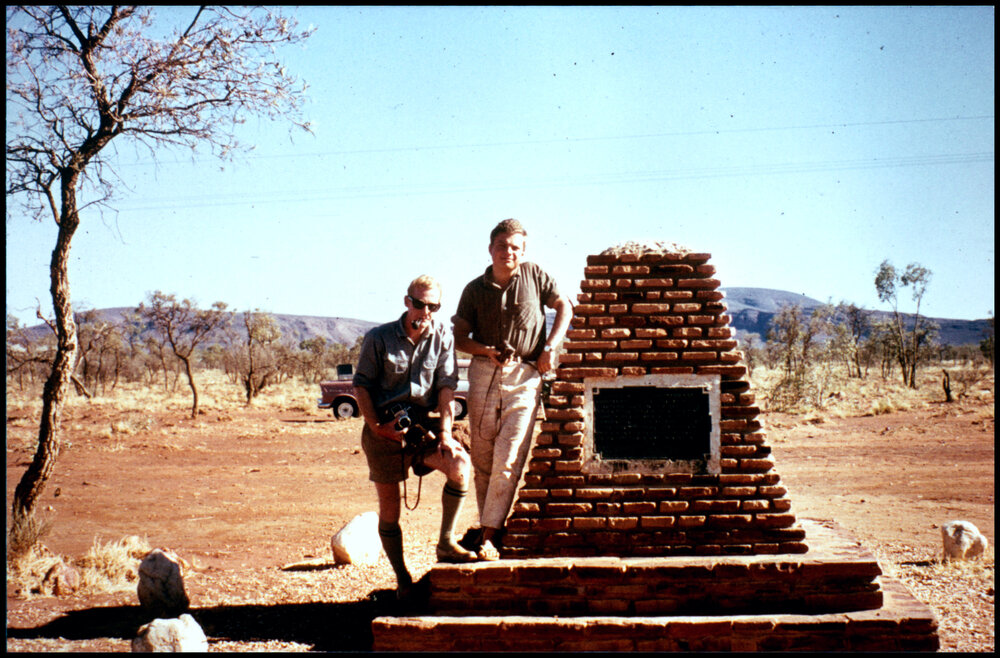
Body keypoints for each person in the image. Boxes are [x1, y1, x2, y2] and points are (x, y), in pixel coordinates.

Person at [452, 219, 573, 560]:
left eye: (515, 247)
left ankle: (489, 535)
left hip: (525, 374)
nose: (509, 252)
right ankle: (489, 526)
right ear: (491, 248)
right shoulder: (474, 289)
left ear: (524, 251)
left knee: (509, 456)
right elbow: (460, 337)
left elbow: (565, 306)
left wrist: (551, 346)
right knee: (484, 458)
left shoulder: (536, 275)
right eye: (503, 245)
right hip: (484, 374)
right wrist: (486, 351)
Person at [353, 275, 477, 600]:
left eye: (433, 305)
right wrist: (378, 426)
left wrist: (447, 434)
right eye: (419, 303)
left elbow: (447, 386)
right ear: (407, 301)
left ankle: (446, 543)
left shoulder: (443, 339)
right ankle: (402, 581)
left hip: (423, 426)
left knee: (460, 465)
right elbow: (361, 386)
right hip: (383, 431)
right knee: (389, 508)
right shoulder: (378, 338)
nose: (425, 311)